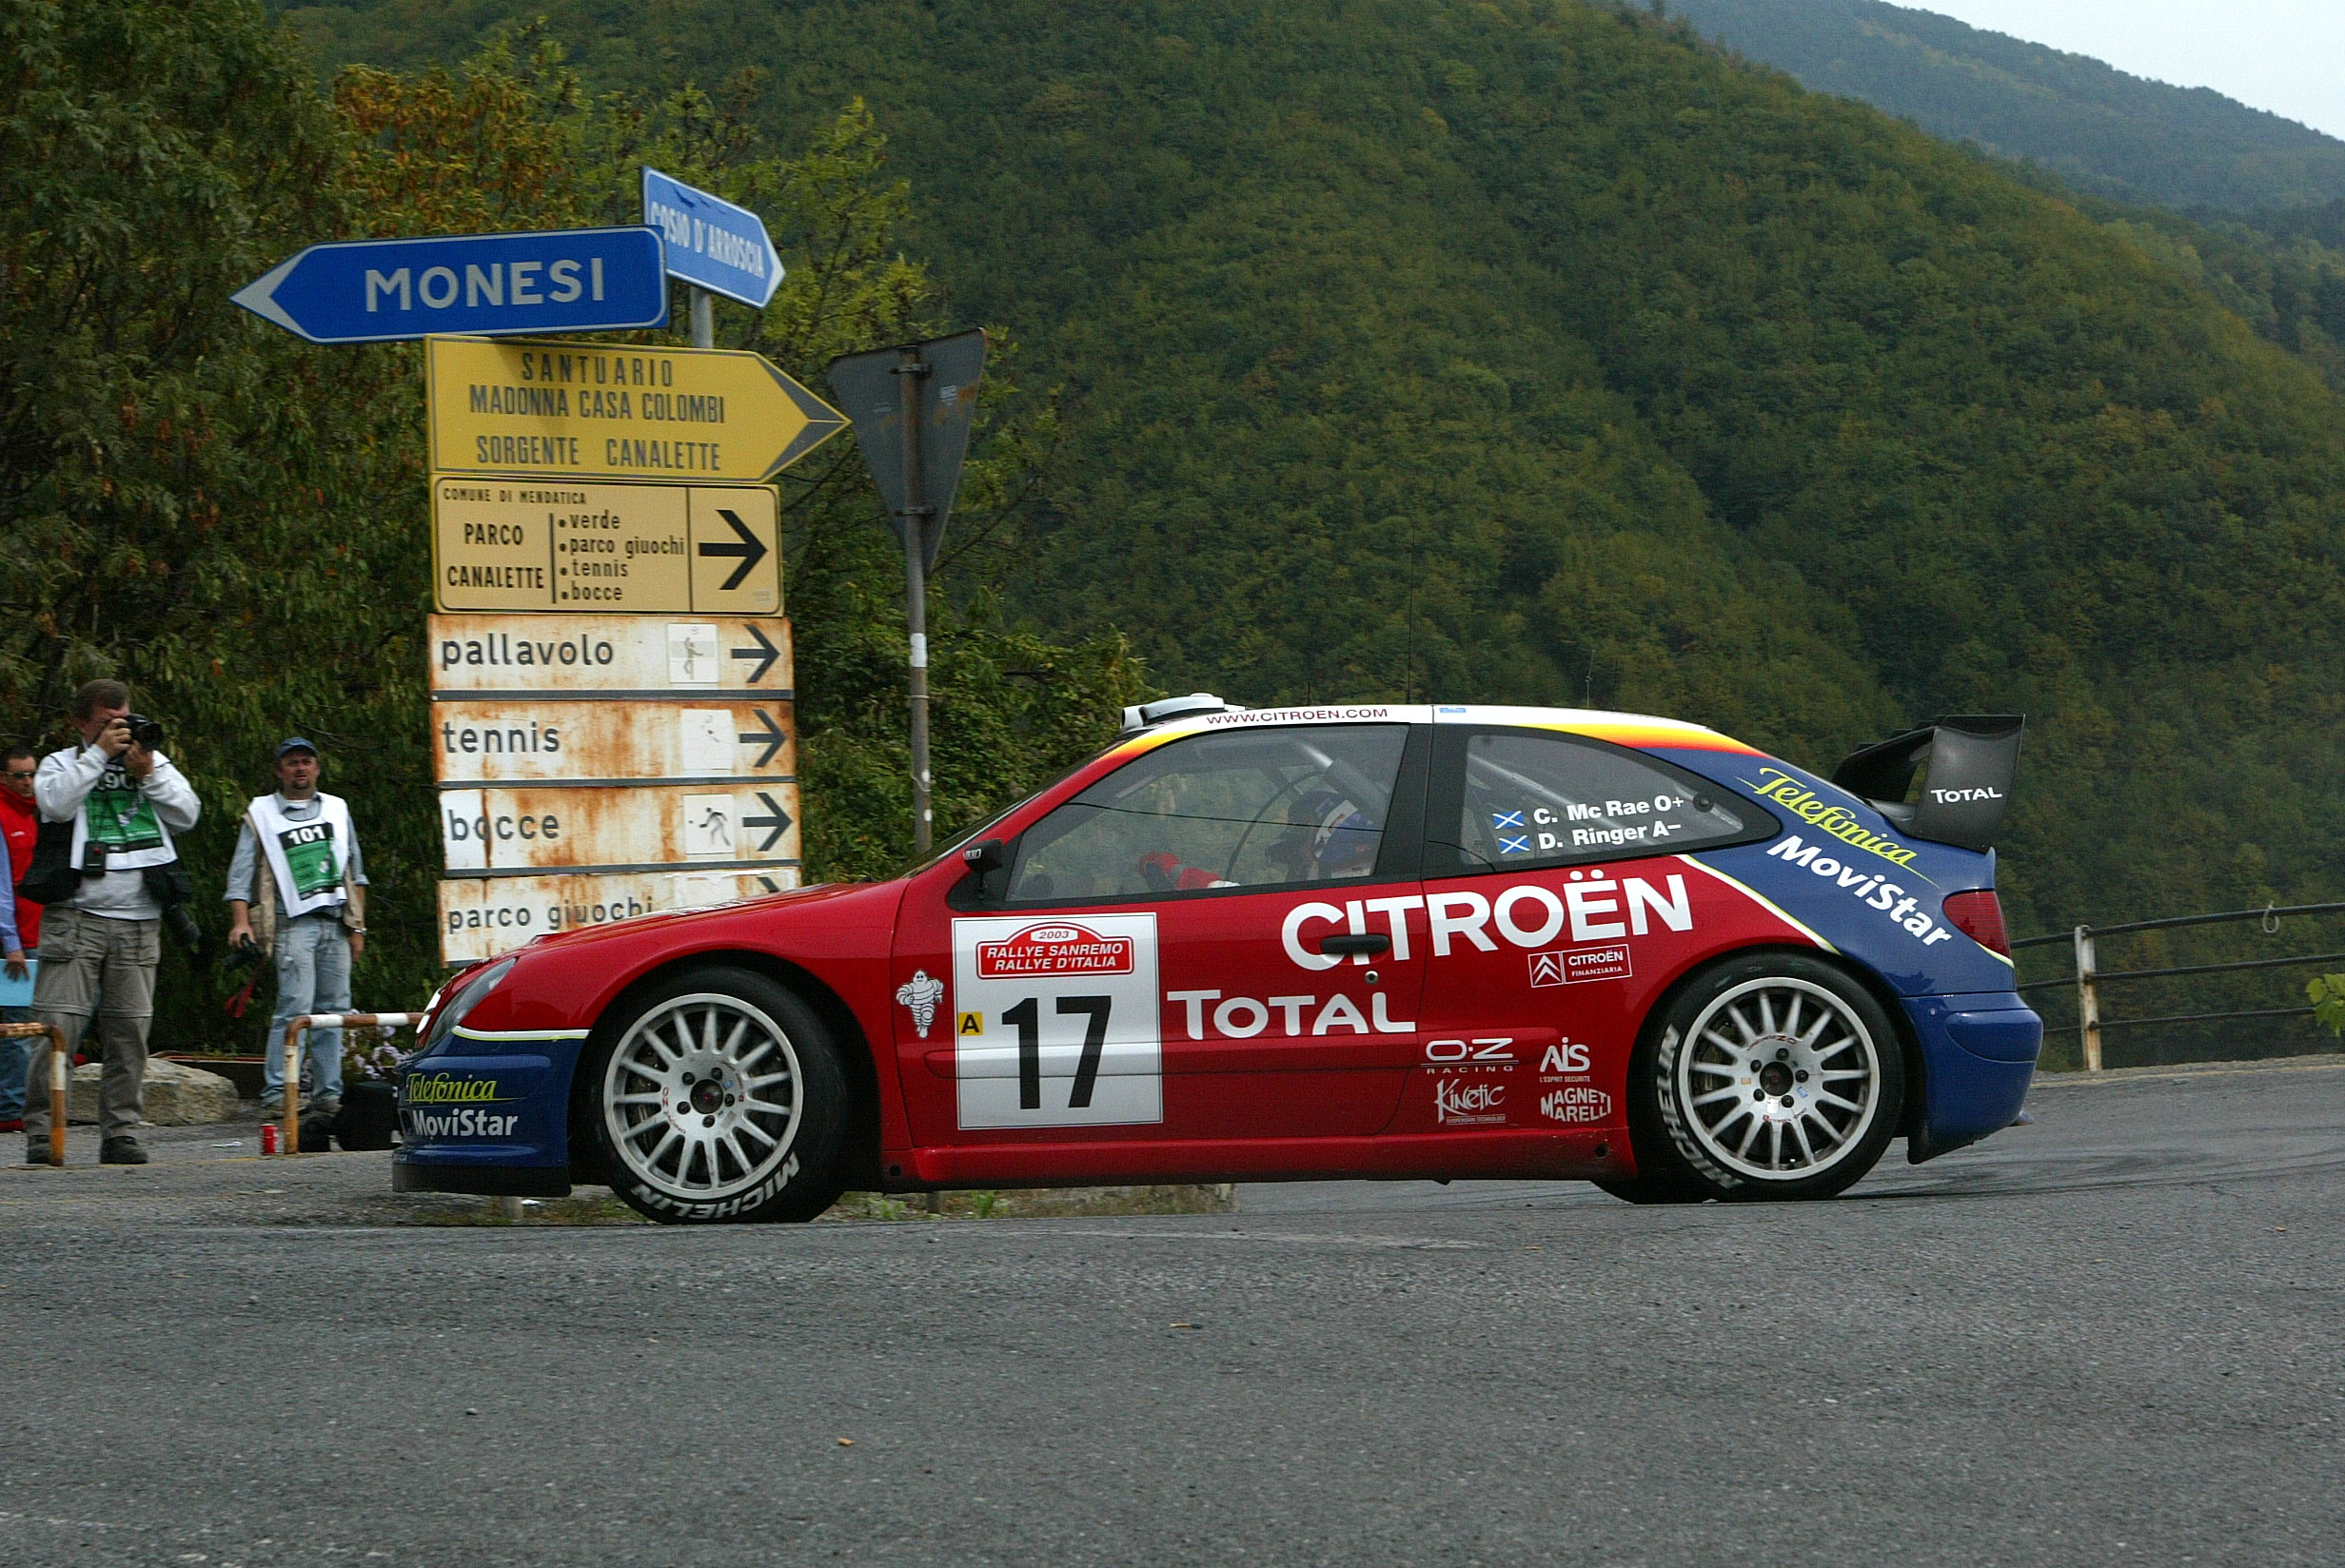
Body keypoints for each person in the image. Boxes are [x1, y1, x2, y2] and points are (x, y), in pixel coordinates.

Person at [22, 681, 201, 1166]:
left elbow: (188, 814)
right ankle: (43, 1131)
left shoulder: (150, 761)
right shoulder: (61, 763)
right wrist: (99, 755)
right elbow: (56, 805)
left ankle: (121, 1131)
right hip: (76, 916)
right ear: (81, 723)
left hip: (139, 919)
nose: (120, 731)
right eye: (107, 723)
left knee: (129, 1032)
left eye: (124, 721)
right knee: (57, 1027)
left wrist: (149, 775)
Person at [226, 737, 366, 1125]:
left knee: (334, 1012)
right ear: (280, 771)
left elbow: (356, 872)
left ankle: (328, 1094)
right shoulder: (262, 813)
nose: (300, 768)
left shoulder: (337, 809)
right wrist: (241, 922)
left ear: (317, 768)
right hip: (291, 925)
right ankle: (277, 1093)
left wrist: (358, 928)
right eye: (292, 763)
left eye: (306, 761)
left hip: (335, 923)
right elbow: (240, 876)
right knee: (294, 1008)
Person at [0, 746, 36, 1134]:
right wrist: (11, 942)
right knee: (17, 1026)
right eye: (19, 776)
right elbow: (1, 887)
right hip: (16, 940)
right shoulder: (3, 815)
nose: (28, 782)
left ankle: (23, 1099)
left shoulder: (35, 813)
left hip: (41, 932)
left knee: (35, 1022)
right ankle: (11, 1107)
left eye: (32, 774)